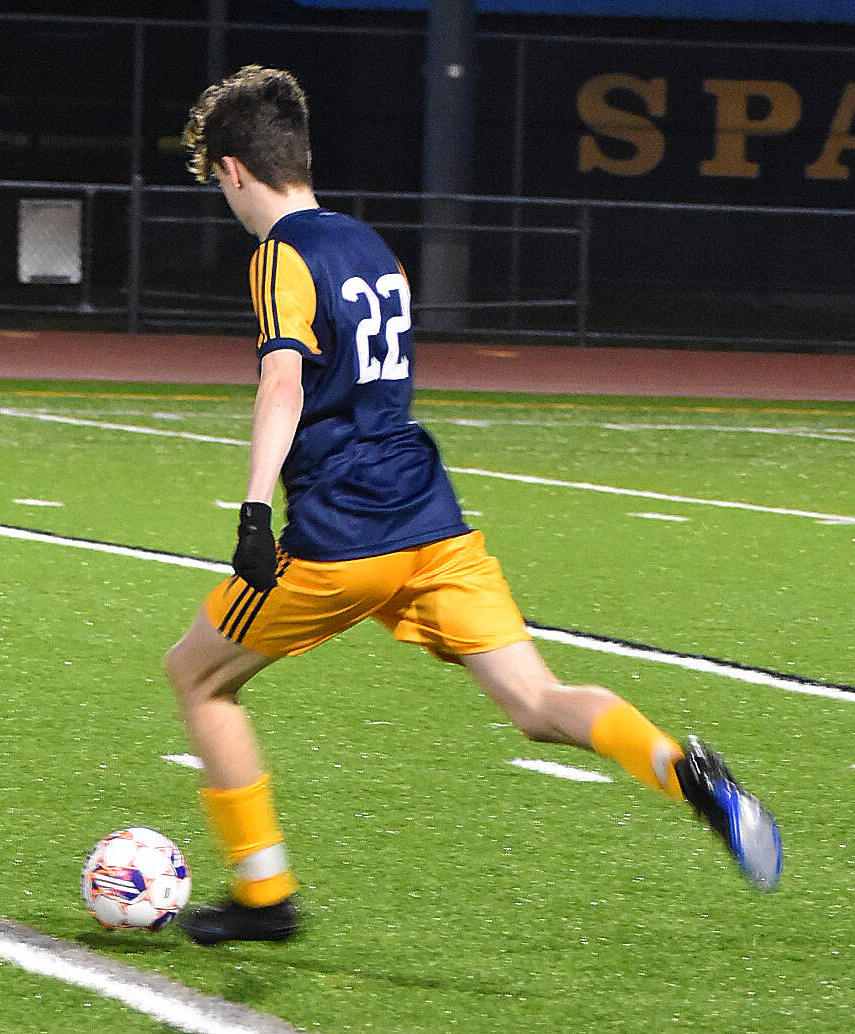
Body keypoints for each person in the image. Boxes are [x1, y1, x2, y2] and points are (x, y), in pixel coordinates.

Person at [166, 65, 782, 947]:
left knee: (198, 677)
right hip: (432, 523)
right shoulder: (373, 247)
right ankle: (683, 772)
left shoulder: (279, 256)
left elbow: (282, 380)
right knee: (537, 701)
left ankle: (264, 895)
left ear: (232, 171)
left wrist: (255, 512)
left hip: (345, 532)